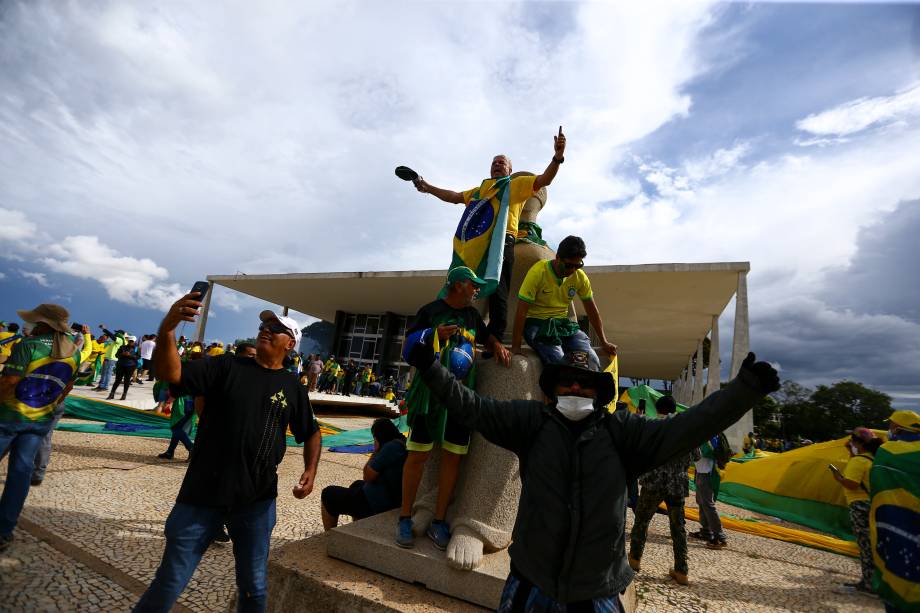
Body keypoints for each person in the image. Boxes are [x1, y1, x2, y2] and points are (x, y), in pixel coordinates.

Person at [402, 335, 778, 608]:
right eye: (567, 380)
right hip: (531, 584)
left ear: (599, 393)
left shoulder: (623, 433)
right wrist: (432, 369)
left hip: (597, 591)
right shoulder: (531, 422)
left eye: (585, 383)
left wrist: (742, 392)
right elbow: (473, 408)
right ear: (552, 389)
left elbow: (689, 427)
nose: (576, 386)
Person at [134, 296, 321, 613]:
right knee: (169, 581)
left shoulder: (292, 386)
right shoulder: (226, 366)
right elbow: (172, 374)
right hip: (201, 495)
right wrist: (167, 329)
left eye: (275, 327)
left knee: (254, 588)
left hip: (256, 502)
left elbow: (312, 431)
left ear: (290, 344)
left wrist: (311, 470)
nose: (265, 329)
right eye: (264, 324)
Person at [412, 127, 567, 341]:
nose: (496, 165)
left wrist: (557, 157)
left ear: (509, 170)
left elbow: (544, 180)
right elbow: (455, 196)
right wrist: (428, 188)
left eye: (501, 163)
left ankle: (493, 337)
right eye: (494, 162)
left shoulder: (514, 186)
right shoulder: (480, 191)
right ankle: (452, 325)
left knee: (498, 291)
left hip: (502, 244)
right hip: (475, 246)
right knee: (463, 286)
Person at [396, 266, 511, 550]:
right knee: (417, 456)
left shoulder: (472, 316)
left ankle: (438, 521)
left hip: (461, 397)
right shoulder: (430, 310)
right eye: (473, 286)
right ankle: (404, 517)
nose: (476, 291)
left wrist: (496, 345)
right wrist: (435, 334)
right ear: (459, 285)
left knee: (453, 457)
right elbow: (408, 348)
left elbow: (484, 336)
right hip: (430, 396)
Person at [0, 304, 85, 552]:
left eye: (36, 321)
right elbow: (67, 387)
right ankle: (4, 531)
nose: (33, 325)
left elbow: (10, 381)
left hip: (9, 416)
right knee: (20, 474)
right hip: (39, 420)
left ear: (43, 323)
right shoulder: (74, 352)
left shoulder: (28, 345)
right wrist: (47, 406)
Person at [511, 236, 617, 371]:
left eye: (578, 265)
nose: (573, 270)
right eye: (569, 265)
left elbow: (592, 311)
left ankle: (584, 389)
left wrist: (604, 342)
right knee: (561, 363)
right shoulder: (538, 272)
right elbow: (521, 310)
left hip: (563, 325)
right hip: (537, 325)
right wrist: (516, 346)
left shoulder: (579, 277)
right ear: (558, 257)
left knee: (592, 361)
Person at [628, 395, 693, 585]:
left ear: (657, 408)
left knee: (641, 521)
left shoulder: (651, 427)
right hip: (677, 484)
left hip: (653, 482)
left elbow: (638, 451)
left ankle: (634, 560)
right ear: (675, 410)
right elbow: (696, 455)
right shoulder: (686, 431)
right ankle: (681, 570)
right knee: (678, 527)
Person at [869, 410, 920, 613]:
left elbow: (879, 485)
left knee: (900, 576)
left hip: (901, 525)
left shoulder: (888, 452)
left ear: (897, 428)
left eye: (890, 426)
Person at [321, 418, 407, 530]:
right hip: (390, 497)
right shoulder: (402, 443)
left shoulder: (390, 448)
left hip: (377, 503)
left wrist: (376, 451)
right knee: (356, 484)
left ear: (378, 437)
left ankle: (328, 537)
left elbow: (367, 476)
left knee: (328, 494)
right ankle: (359, 529)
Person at [830, 427, 881, 595]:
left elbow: (852, 483)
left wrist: (838, 478)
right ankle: (872, 580)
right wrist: (851, 452)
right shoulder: (871, 458)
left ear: (858, 443)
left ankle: (869, 585)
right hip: (871, 504)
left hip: (859, 505)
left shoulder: (858, 461)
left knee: (865, 545)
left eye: (852, 440)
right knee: (872, 544)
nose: (850, 443)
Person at [689, 434, 728, 550]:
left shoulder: (709, 434)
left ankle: (720, 537)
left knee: (708, 504)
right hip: (701, 471)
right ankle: (706, 532)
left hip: (708, 473)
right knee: (701, 502)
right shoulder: (704, 431)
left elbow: (704, 453)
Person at [108, 336, 140, 401]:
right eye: (130, 341)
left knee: (127, 380)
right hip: (121, 365)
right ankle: (112, 394)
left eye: (132, 341)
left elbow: (138, 357)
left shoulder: (137, 348)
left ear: (134, 341)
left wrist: (129, 355)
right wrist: (122, 354)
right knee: (117, 380)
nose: (131, 342)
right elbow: (116, 355)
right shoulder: (122, 347)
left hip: (130, 366)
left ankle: (124, 394)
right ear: (128, 341)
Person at [94, 326, 125, 392]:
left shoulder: (120, 340)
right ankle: (100, 386)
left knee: (108, 373)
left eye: (117, 333)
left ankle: (105, 387)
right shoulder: (114, 340)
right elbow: (110, 336)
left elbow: (112, 336)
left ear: (120, 334)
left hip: (112, 359)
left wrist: (104, 329)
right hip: (107, 357)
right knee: (103, 373)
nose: (115, 334)